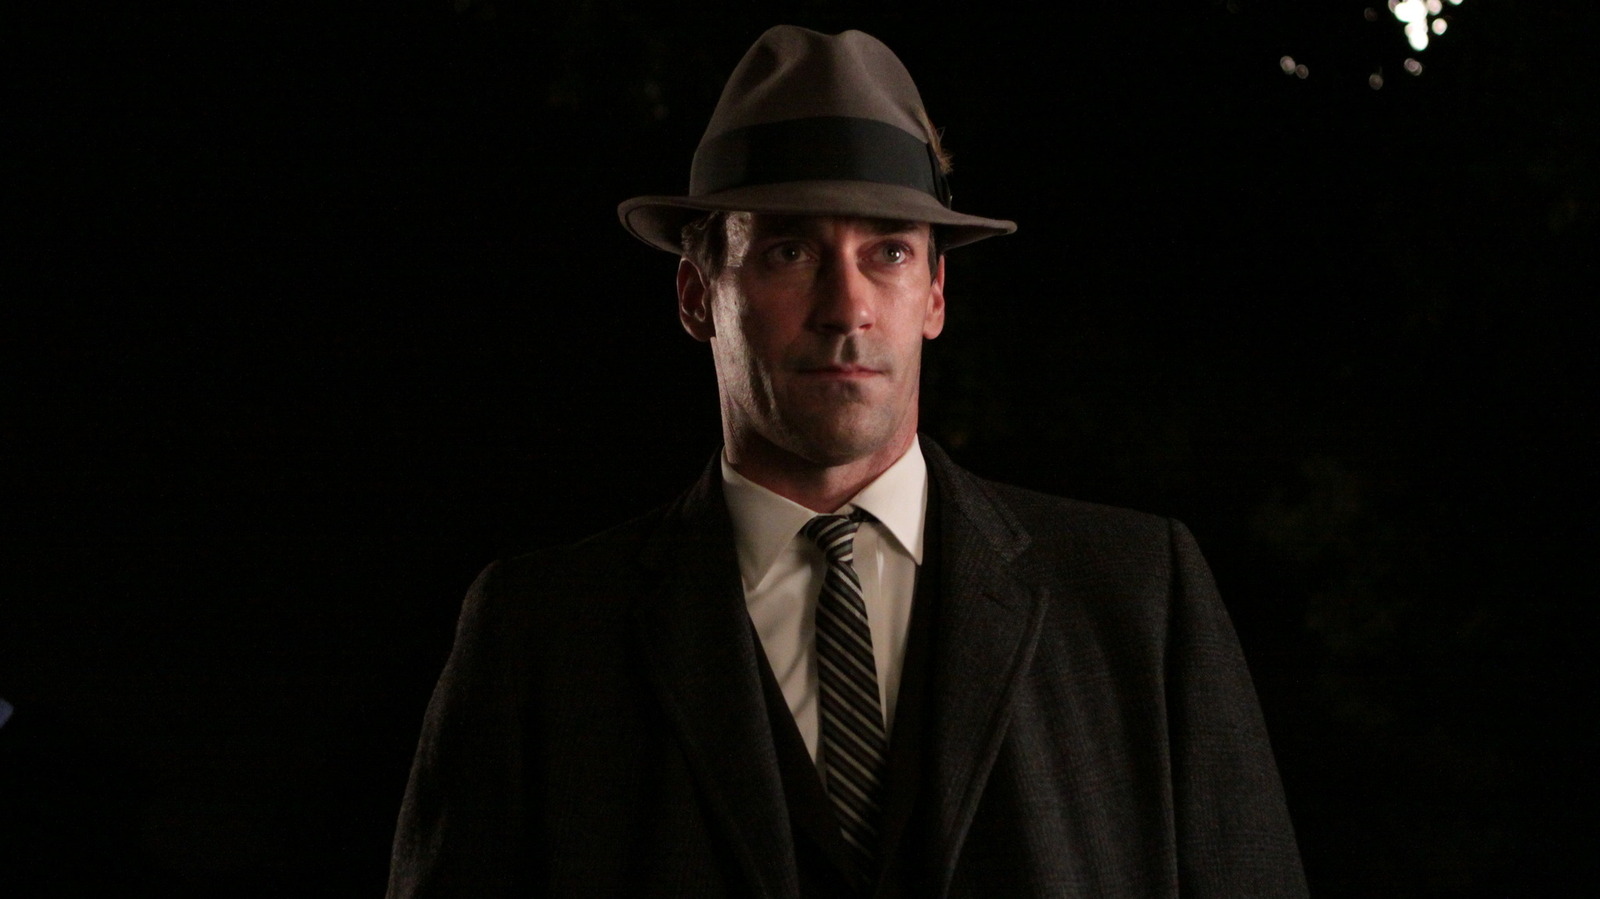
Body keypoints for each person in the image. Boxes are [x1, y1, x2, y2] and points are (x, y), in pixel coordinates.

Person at [387, 25, 1308, 898]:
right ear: (698, 294)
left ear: (935, 292)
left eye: (889, 251)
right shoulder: (540, 639)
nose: (847, 306)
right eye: (790, 251)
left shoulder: (1140, 602)